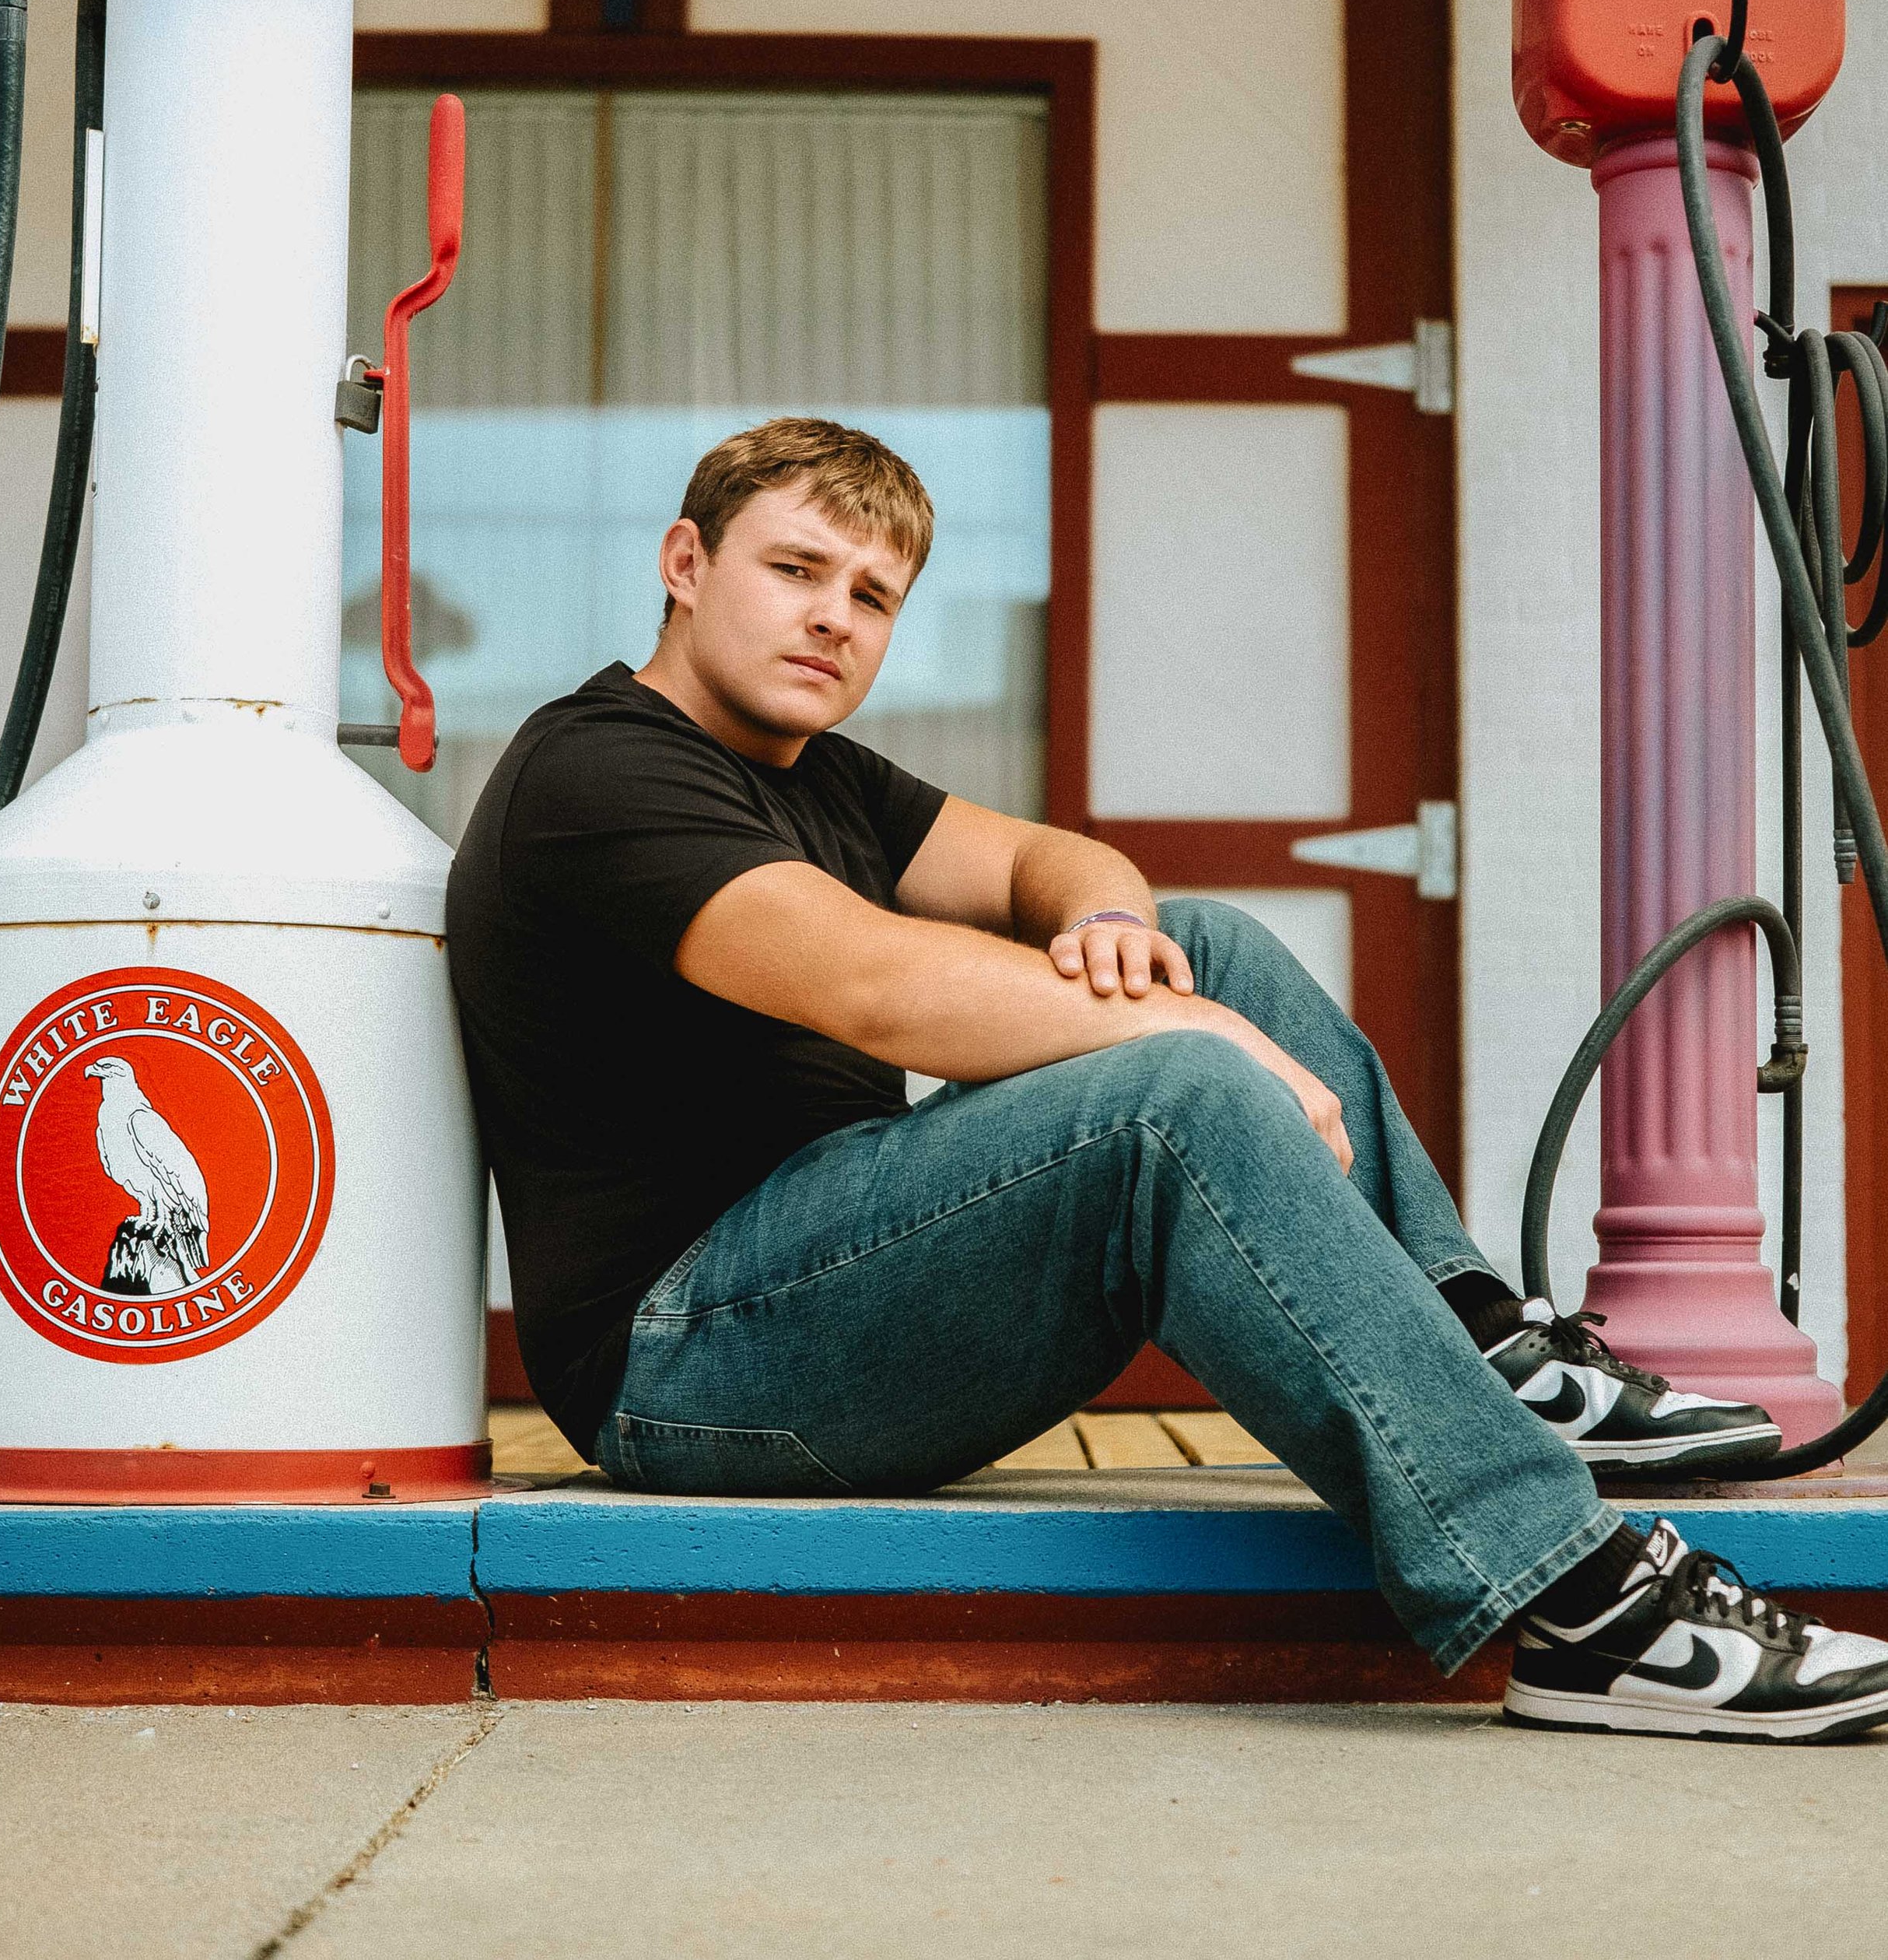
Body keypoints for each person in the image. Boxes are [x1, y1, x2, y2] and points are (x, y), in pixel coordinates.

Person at [448, 415, 1888, 1744]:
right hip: (686, 1356)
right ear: (687, 565)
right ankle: (1583, 1605)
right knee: (1175, 1083)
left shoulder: (817, 772)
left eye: (875, 595)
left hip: (826, 1277)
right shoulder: (600, 772)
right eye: (797, 568)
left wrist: (1118, 929)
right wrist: (1197, 1043)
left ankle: (1483, 1347)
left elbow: (1040, 861)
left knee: (1198, 944)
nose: (834, 614)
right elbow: (873, 982)